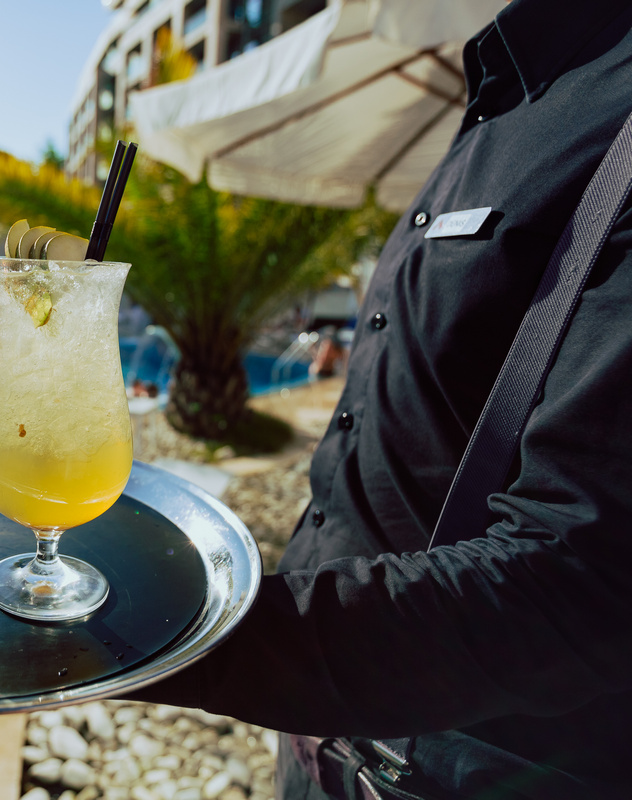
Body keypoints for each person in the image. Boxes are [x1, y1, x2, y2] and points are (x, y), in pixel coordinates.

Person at [126, 1, 632, 797]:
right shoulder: (499, 90)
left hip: (456, 772)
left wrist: (156, 631)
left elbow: (582, 579)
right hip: (316, 742)